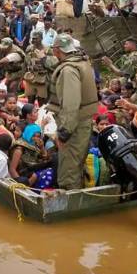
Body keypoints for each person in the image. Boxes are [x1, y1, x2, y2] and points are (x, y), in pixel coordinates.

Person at [46, 34, 99, 190]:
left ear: (57, 51)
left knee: (68, 171)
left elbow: (71, 105)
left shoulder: (69, 70)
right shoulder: (82, 62)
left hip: (73, 125)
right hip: (81, 122)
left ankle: (70, 206)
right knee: (76, 165)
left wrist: (64, 133)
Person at [23, 31, 50, 104]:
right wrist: (22, 76)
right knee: (30, 99)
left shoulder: (47, 49)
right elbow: (25, 63)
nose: (34, 40)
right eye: (33, 38)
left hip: (42, 78)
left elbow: (51, 64)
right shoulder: (29, 48)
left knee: (42, 101)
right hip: (30, 78)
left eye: (36, 38)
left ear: (41, 38)